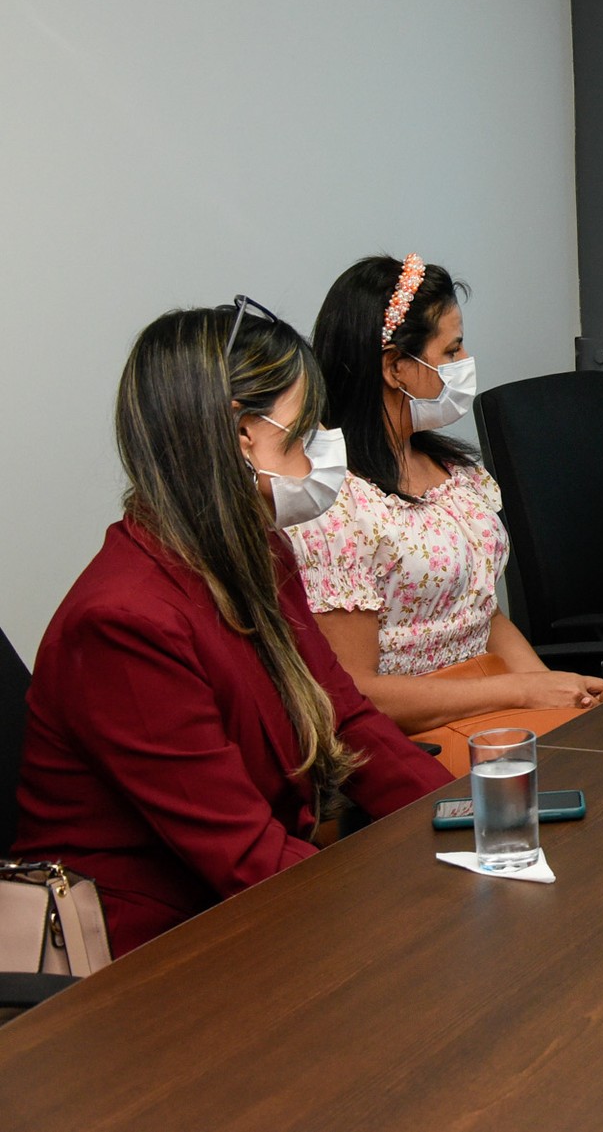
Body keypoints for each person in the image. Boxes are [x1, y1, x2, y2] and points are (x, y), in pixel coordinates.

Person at [12, 302, 448, 953]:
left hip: (249, 914)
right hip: (146, 966)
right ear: (239, 439)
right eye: (299, 434)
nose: (321, 452)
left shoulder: (259, 553)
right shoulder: (121, 623)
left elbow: (344, 717)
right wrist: (402, 916)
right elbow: (243, 855)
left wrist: (472, 814)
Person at [286, 255, 603, 772]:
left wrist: (563, 696)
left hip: (492, 703)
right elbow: (353, 694)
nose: (466, 360)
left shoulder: (450, 470)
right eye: (452, 348)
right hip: (413, 737)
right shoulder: (334, 504)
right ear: (396, 367)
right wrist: (523, 692)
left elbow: (485, 615)